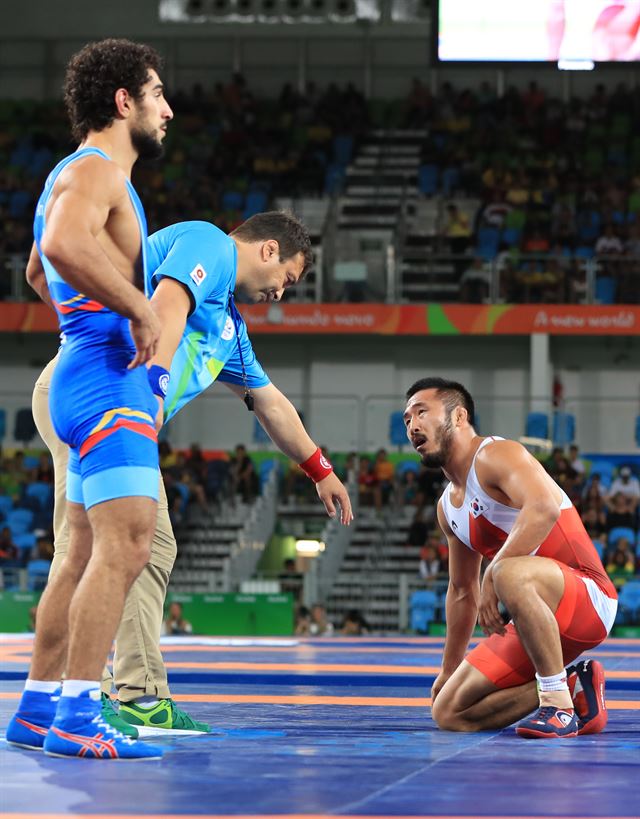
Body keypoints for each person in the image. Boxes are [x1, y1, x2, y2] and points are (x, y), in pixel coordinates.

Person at [21, 212, 354, 739]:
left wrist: (319, 468)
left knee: (101, 547)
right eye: (287, 279)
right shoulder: (211, 245)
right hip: (103, 396)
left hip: (110, 401)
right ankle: (126, 696)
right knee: (137, 544)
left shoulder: (228, 328)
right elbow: (166, 306)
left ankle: (72, 697)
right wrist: (152, 384)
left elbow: (270, 403)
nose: (281, 295)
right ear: (268, 250)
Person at [7, 39, 173, 760]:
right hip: (107, 379)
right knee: (129, 544)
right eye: (158, 93)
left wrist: (87, 319)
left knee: (76, 555)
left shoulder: (71, 174)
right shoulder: (98, 170)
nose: (169, 109)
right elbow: (63, 247)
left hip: (82, 366)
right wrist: (136, 308)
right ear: (123, 101)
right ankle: (79, 714)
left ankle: (38, 707)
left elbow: (36, 271)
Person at [402, 377, 617, 739]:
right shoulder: (446, 508)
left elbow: (543, 507)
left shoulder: (495, 454)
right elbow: (460, 590)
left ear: (458, 417)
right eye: (407, 419)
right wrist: (449, 667)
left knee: (508, 574)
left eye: (422, 412)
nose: (413, 425)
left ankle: (558, 709)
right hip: (533, 619)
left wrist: (494, 574)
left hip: (587, 598)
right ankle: (572, 686)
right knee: (450, 711)